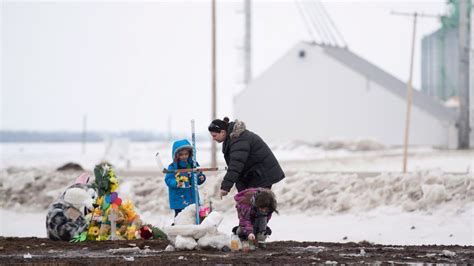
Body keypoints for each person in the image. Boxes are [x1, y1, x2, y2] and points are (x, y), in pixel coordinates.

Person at [208, 117, 285, 197]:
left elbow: (235, 165)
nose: (213, 139)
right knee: (247, 203)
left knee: (256, 204)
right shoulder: (232, 139)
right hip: (253, 175)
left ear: (223, 132)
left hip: (261, 175)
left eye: (214, 135)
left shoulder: (239, 140)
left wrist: (225, 187)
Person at [165, 139, 206, 217]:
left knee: (193, 217)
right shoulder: (173, 167)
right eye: (181, 154)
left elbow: (198, 177)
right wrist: (176, 183)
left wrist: (201, 178)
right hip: (179, 199)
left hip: (192, 197)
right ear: (176, 155)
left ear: (189, 154)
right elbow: (168, 179)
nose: (184, 156)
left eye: (186, 154)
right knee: (180, 218)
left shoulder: (193, 164)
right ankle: (177, 228)